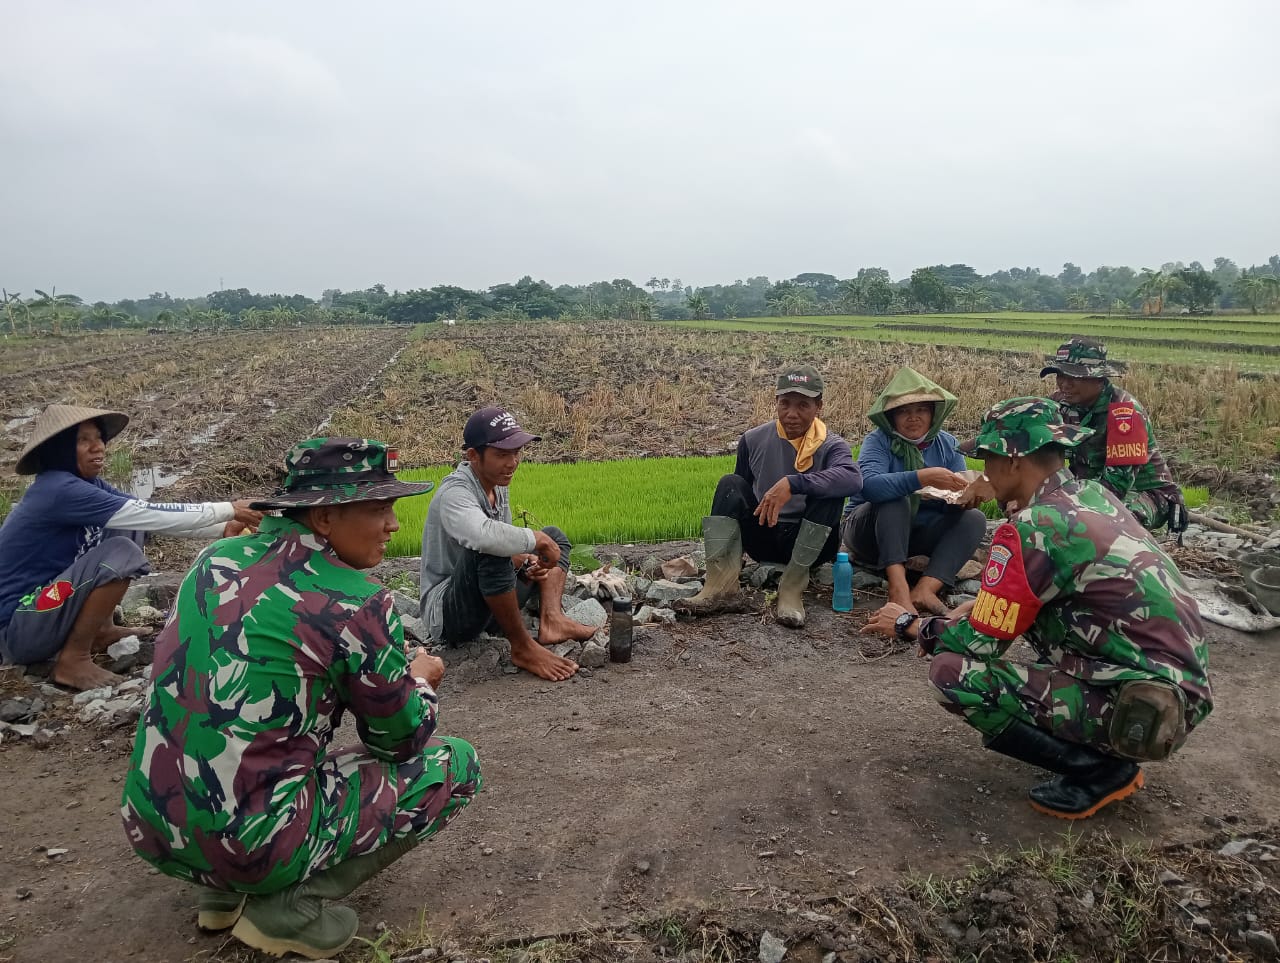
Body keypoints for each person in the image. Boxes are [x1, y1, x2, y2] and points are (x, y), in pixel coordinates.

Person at [121, 438, 481, 961]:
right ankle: (288, 903)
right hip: (249, 842)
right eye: (379, 507)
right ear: (327, 517)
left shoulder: (213, 559)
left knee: (232, 733)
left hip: (152, 822)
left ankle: (220, 893)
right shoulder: (353, 602)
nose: (393, 525)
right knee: (455, 763)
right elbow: (399, 740)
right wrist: (420, 679)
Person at [863, 398, 1211, 821]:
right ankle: (1097, 744)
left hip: (1146, 710)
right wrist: (978, 604)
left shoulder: (1033, 527)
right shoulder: (1090, 496)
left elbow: (979, 644)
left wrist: (909, 625)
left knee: (951, 672)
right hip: (1176, 688)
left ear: (1012, 460)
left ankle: (1100, 771)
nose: (983, 471)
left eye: (987, 459)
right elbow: (1043, 594)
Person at [0, 404, 262, 691]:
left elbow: (146, 514)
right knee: (121, 552)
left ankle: (101, 629)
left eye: (99, 438)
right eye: (83, 440)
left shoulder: (84, 485)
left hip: (44, 612)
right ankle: (73, 659)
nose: (98, 447)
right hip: (17, 630)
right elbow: (153, 514)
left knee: (128, 522)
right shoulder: (57, 489)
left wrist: (221, 528)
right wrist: (228, 509)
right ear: (59, 449)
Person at [420, 407, 594, 682]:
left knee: (554, 535)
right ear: (474, 456)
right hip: (452, 614)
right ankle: (522, 646)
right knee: (496, 546)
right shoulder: (455, 493)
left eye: (516, 453)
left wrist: (527, 562)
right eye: (502, 454)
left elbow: (507, 546)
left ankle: (552, 618)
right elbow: (484, 537)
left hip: (490, 599)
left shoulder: (498, 485)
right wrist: (534, 540)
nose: (512, 462)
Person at [681, 364, 863, 628]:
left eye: (803, 405)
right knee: (730, 484)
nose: (792, 414)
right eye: (785, 404)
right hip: (766, 532)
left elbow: (852, 478)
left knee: (831, 493)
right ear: (776, 402)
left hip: (811, 543)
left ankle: (792, 586)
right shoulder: (753, 439)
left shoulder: (831, 445)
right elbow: (739, 499)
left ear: (818, 407)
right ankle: (720, 584)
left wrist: (794, 483)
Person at [840, 367, 988, 614]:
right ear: (891, 417)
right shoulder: (878, 441)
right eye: (904, 411)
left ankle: (926, 588)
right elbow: (870, 486)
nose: (914, 417)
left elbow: (957, 490)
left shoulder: (947, 445)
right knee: (894, 500)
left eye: (921, 410)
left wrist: (965, 499)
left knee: (974, 518)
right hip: (869, 534)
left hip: (918, 535)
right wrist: (921, 478)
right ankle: (898, 589)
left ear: (933, 414)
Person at [1040, 336, 1182, 530]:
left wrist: (1066, 505)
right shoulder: (1059, 404)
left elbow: (1116, 485)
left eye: (1074, 377)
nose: (1064, 384)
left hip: (1142, 493)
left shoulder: (1124, 412)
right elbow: (1034, 448)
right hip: (1085, 486)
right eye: (1060, 375)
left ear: (1098, 378)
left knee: (1111, 520)